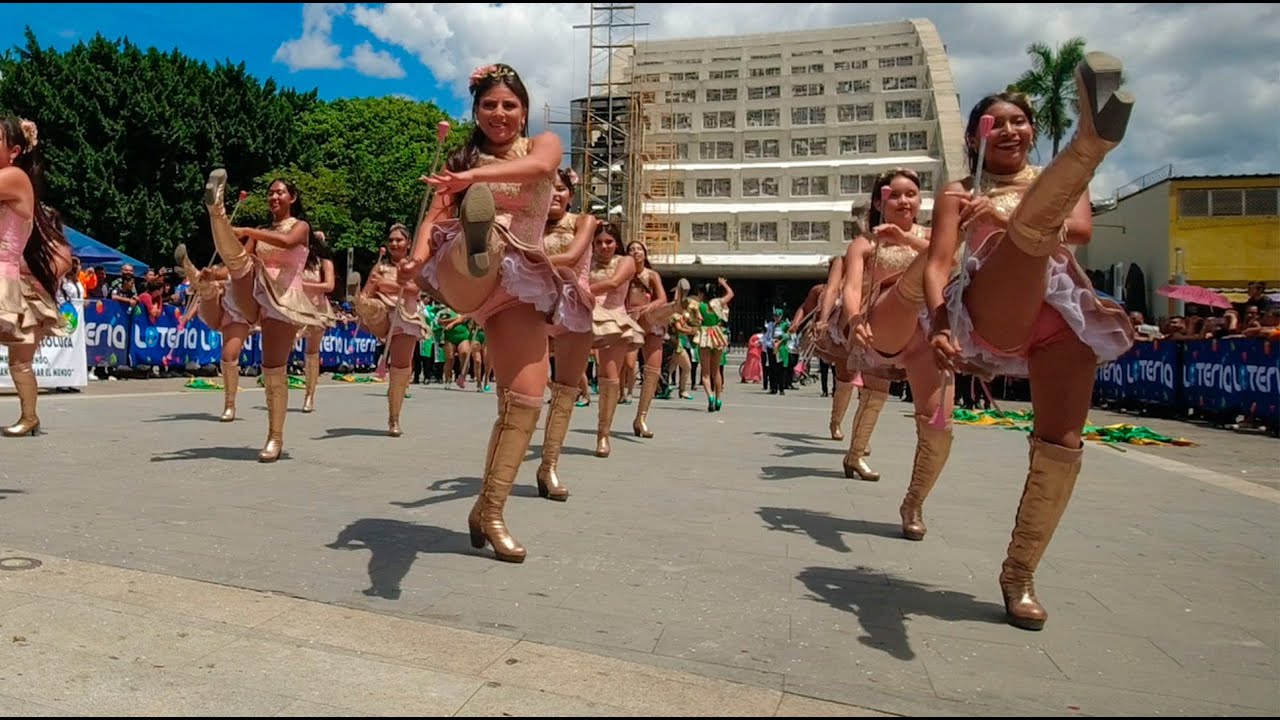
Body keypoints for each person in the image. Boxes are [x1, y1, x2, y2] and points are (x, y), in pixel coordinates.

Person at [924, 53, 1135, 630]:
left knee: (1063, 445)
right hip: (997, 302)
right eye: (997, 122)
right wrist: (940, 323)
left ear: (1034, 131)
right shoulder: (958, 192)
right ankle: (1093, 141)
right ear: (975, 136)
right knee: (1024, 237)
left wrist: (1006, 207)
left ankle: (1019, 575)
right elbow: (938, 262)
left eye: (1021, 120)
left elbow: (1085, 229)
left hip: (1063, 312)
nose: (1012, 129)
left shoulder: (1047, 183)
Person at [400, 63, 592, 563]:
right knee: (462, 234)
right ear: (476, 111)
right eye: (489, 105)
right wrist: (416, 262)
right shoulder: (461, 162)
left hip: (524, 281)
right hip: (474, 273)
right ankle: (476, 239)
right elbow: (432, 218)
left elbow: (539, 171)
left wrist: (471, 177)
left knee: (525, 397)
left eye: (509, 105)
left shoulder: (542, 145)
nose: (499, 113)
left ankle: (489, 509)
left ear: (524, 110)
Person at [202, 171, 330, 462]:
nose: (273, 197)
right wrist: (213, 274)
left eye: (280, 192)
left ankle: (275, 437)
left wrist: (247, 230)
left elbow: (286, 242)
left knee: (272, 367)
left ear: (292, 198)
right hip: (256, 291)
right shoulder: (259, 230)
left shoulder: (301, 226)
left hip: (283, 300)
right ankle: (216, 210)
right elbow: (240, 259)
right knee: (237, 262)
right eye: (270, 193)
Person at [0, 118, 72, 435]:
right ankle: (30, 417)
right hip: (11, 278)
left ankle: (29, 417)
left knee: (20, 360)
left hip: (4, 276)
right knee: (20, 359)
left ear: (14, 151)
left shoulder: (15, 178)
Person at [536, 168, 596, 500]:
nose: (555, 195)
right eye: (547, 190)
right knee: (519, 393)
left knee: (565, 392)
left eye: (560, 189)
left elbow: (572, 257)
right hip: (532, 305)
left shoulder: (584, 222)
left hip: (574, 305)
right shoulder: (526, 224)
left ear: (570, 194)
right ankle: (505, 463)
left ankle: (548, 467)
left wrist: (525, 258)